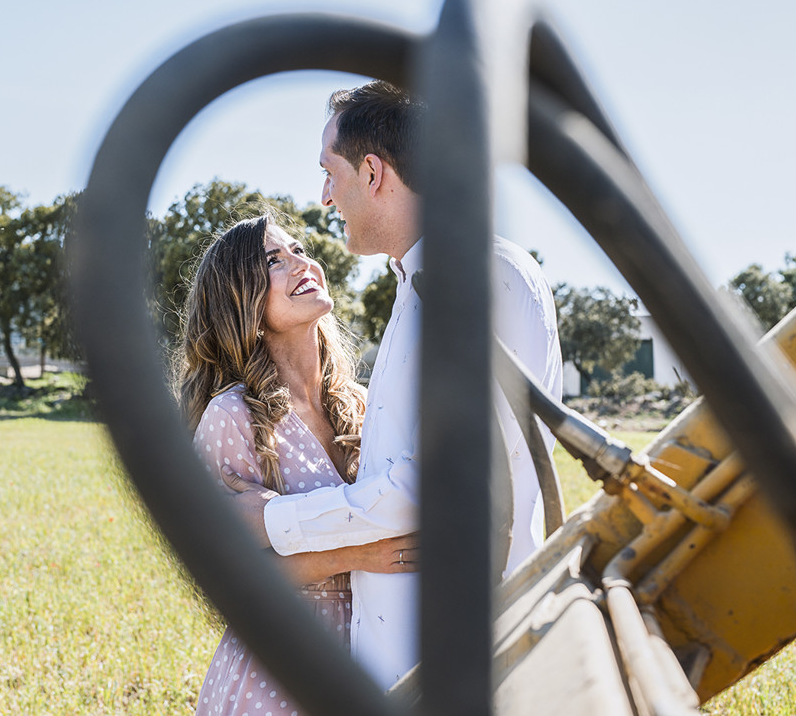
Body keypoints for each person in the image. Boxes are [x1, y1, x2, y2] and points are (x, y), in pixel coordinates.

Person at [225, 80, 564, 690]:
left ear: (373, 173)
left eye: (330, 174)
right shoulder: (414, 289)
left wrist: (274, 520)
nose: (325, 198)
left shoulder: (486, 275)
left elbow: (440, 485)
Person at [177, 213, 419, 716]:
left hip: (372, 649)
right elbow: (224, 575)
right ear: (242, 301)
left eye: (299, 250)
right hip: (277, 667)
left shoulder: (365, 405)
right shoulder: (233, 416)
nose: (300, 263)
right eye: (273, 260)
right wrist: (359, 554)